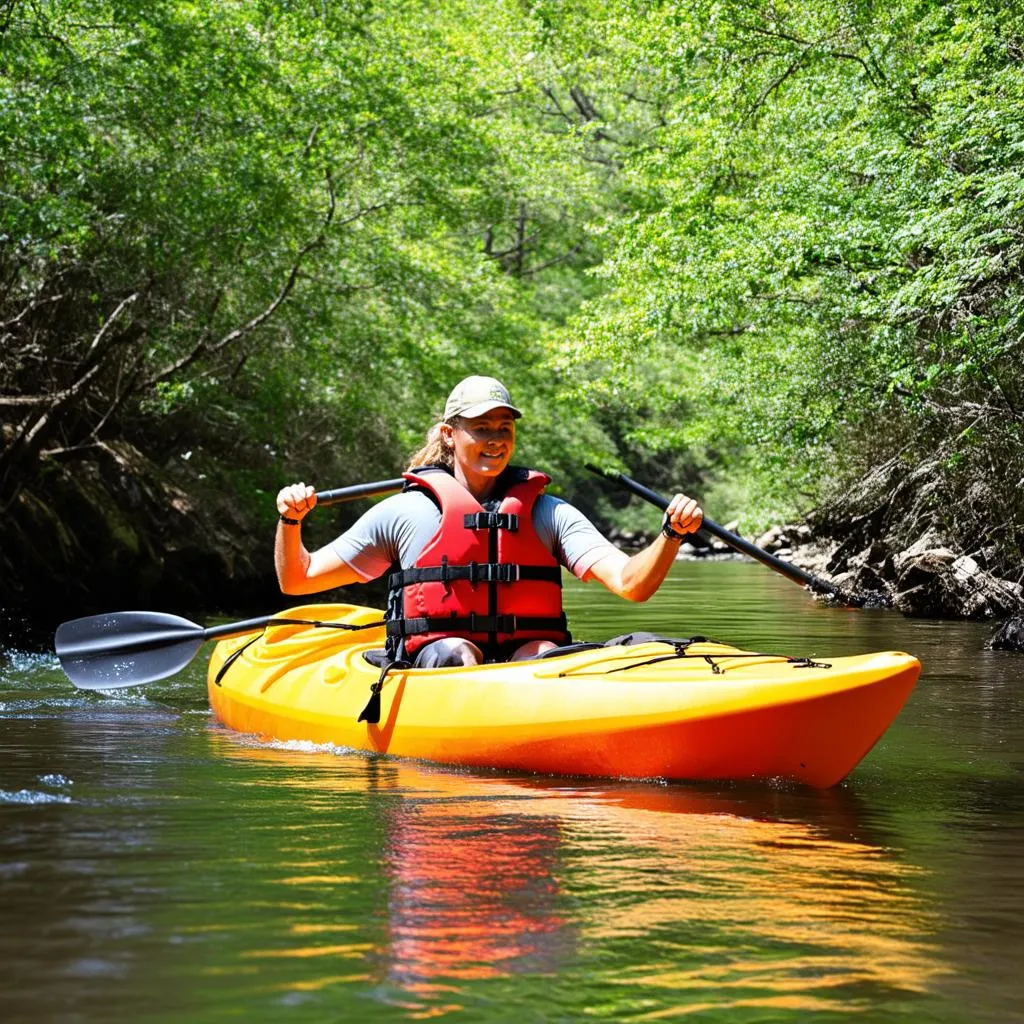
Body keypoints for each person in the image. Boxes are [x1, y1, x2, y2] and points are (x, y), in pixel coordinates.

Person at [275, 376, 703, 668]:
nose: (496, 439)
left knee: (544, 651)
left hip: (523, 668)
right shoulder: (404, 514)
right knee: (458, 651)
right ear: (449, 435)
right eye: (481, 428)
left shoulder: (546, 513)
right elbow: (299, 578)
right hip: (440, 662)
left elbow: (632, 584)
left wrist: (670, 535)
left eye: (504, 427)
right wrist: (290, 522)